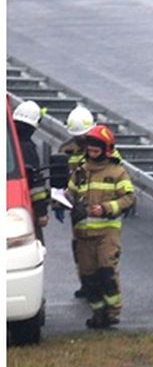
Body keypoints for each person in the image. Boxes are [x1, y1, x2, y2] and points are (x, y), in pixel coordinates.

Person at [68, 124, 134, 328]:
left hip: (107, 233)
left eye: (96, 150)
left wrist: (106, 208)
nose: (92, 153)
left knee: (106, 273)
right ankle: (98, 313)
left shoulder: (117, 172)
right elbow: (70, 193)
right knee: (88, 277)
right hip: (83, 234)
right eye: (90, 149)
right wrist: (61, 202)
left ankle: (112, 313)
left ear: (106, 150)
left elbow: (129, 198)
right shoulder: (81, 171)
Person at [52, 104, 96, 298]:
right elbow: (58, 179)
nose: (82, 140)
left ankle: (98, 283)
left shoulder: (101, 146)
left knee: (100, 248)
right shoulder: (66, 150)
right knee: (79, 246)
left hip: (97, 204)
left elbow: (116, 172)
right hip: (76, 205)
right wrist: (58, 204)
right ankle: (86, 283)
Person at [11, 101, 50, 238]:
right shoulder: (27, 149)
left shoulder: (8, 142)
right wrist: (41, 212)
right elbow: (35, 185)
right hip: (21, 211)